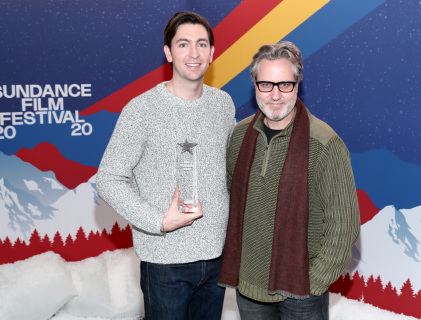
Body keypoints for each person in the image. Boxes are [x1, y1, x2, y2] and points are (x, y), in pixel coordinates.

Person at [96, 11, 236, 320]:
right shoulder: (141, 109)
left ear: (213, 53)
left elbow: (227, 172)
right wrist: (159, 221)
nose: (193, 53)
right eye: (183, 44)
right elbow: (108, 179)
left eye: (201, 44)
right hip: (164, 263)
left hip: (216, 258)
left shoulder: (224, 104)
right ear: (168, 52)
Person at [218, 41, 360, 320]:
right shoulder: (239, 136)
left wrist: (315, 283)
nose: (275, 95)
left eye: (284, 84)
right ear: (254, 85)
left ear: (297, 85)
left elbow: (344, 224)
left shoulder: (324, 144)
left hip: (302, 292)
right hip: (248, 289)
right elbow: (227, 200)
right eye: (266, 84)